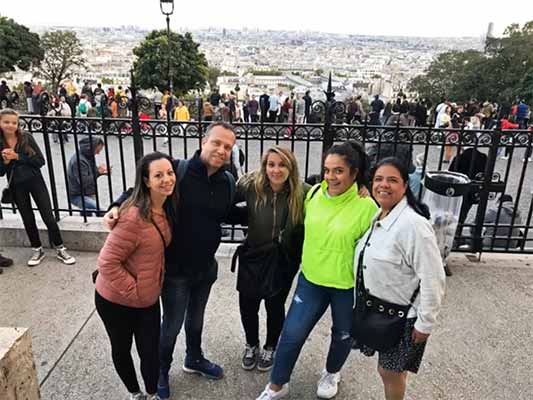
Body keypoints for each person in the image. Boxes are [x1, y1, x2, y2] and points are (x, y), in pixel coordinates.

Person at [104, 122, 238, 399]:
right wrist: (115, 205)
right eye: (217, 143)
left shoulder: (227, 181)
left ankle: (194, 358)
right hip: (176, 271)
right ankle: (162, 369)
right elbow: (137, 191)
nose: (221, 150)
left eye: (228, 147)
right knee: (172, 325)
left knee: (196, 320)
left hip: (206, 268)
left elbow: (228, 213)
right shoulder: (178, 170)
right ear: (204, 141)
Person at [256, 141, 377, 400]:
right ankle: (277, 385)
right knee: (291, 335)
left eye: (338, 171)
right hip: (311, 280)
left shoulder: (367, 206)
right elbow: (279, 187)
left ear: (354, 173)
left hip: (346, 286)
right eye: (327, 170)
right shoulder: (313, 194)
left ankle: (332, 372)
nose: (330, 177)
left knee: (342, 335)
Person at [352, 157, 446, 400]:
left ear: (405, 186)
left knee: (389, 371)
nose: (384, 185)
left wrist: (425, 324)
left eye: (392, 180)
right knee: (393, 372)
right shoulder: (381, 215)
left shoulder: (413, 225)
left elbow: (433, 278)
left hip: (403, 318)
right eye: (379, 179)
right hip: (379, 311)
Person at [96, 151, 175, 400]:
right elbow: (107, 262)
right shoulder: (132, 217)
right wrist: (136, 291)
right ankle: (135, 393)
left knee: (150, 352)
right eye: (158, 175)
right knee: (122, 349)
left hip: (147, 300)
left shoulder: (165, 206)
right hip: (115, 301)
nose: (166, 179)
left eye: (170, 173)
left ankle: (151, 393)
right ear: (146, 180)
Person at [235, 146, 308, 372]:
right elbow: (218, 192)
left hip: (283, 259)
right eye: (271, 164)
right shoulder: (250, 185)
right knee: (248, 303)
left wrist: (363, 185)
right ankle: (251, 344)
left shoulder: (304, 192)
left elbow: (335, 193)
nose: (276, 170)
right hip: (255, 254)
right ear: (264, 165)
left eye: (282, 165)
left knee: (274, 304)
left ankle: (270, 346)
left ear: (291, 167)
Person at [0, 108, 76, 266]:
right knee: (27, 219)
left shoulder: (26, 137)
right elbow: (1, 172)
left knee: (48, 216)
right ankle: (37, 249)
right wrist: (6, 163)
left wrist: (18, 157)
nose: (10, 125)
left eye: (14, 122)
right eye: (6, 122)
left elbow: (40, 161)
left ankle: (60, 247)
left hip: (35, 181)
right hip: (16, 185)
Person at [67, 137, 110, 216]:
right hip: (78, 195)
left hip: (87, 193)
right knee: (101, 211)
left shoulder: (88, 156)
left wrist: (102, 172)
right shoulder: (79, 161)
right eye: (97, 150)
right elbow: (84, 181)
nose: (98, 153)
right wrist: (98, 172)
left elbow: (90, 173)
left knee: (87, 214)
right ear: (91, 148)